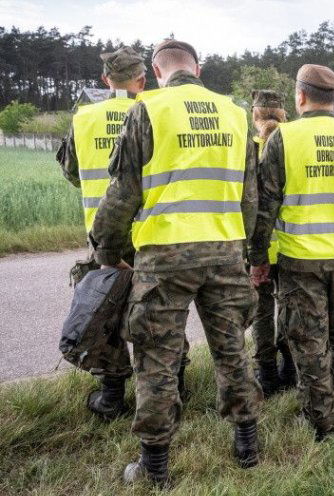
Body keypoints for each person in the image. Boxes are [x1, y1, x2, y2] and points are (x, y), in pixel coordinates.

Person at [90, 39, 262, 485]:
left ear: (157, 70)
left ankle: (155, 465)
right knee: (231, 351)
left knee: (157, 358)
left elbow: (123, 192)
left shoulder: (147, 110)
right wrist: (242, 250)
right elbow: (249, 197)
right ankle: (247, 443)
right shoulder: (236, 114)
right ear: (198, 68)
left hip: (165, 255)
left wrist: (107, 251)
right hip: (225, 250)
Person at [249, 65, 334, 441]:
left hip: (300, 260)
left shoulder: (284, 138)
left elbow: (265, 207)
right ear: (333, 98)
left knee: (309, 343)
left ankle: (321, 422)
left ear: (299, 97)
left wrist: (258, 258)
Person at [56, 46, 146, 420]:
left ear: (105, 81)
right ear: (143, 79)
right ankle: (171, 388)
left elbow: (72, 173)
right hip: (149, 232)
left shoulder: (85, 118)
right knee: (154, 314)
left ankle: (111, 397)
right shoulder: (152, 112)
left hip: (102, 237)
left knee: (103, 315)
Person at [248, 89, 296, 396]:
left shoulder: (247, 150)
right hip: (292, 244)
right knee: (290, 307)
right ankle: (291, 367)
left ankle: (267, 374)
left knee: (262, 311)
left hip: (259, 245)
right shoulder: (293, 143)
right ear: (284, 113)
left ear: (254, 115)